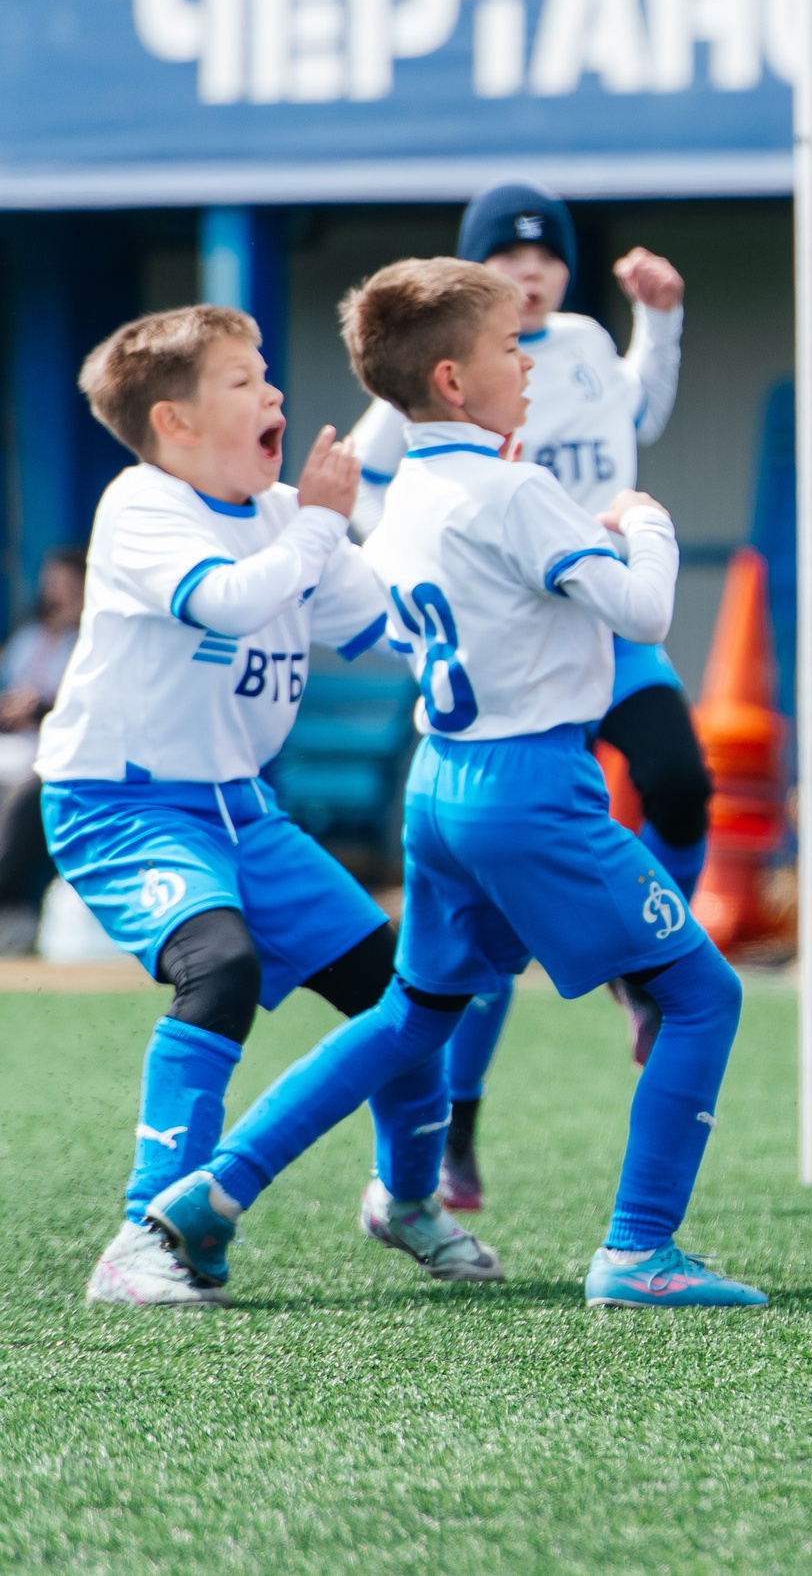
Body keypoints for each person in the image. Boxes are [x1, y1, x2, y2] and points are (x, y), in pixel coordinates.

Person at [144, 258, 762, 1310]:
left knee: (412, 1014)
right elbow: (646, 614)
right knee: (703, 994)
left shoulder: (414, 490)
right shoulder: (517, 490)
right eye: (508, 348)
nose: (529, 363)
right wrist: (643, 522)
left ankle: (214, 1189)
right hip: (532, 789)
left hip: (440, 786)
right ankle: (639, 1253)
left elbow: (407, 620)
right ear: (451, 381)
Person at [54, 304, 497, 1309]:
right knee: (220, 968)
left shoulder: (287, 514)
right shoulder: (142, 504)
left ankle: (408, 1200)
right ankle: (145, 1235)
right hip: (121, 806)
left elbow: (388, 624)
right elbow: (229, 601)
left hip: (243, 812)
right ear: (175, 423)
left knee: (410, 992)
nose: (275, 393)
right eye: (244, 380)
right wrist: (323, 522)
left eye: (267, 375)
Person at [347, 181, 707, 1213]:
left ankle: (649, 961)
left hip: (595, 621)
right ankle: (456, 1132)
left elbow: (643, 407)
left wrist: (664, 320)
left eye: (546, 255)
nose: (531, 272)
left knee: (680, 778)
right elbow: (378, 481)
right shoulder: (440, 394)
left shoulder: (588, 344)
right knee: (481, 946)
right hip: (519, 654)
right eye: (507, 259)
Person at [0, 546, 87, 944]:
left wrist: (38, 709)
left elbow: (82, 707)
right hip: (12, 744)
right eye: (51, 583)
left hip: (57, 752)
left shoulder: (90, 638)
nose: (57, 592)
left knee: (25, 793)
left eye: (67, 584)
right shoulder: (30, 635)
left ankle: (7, 897)